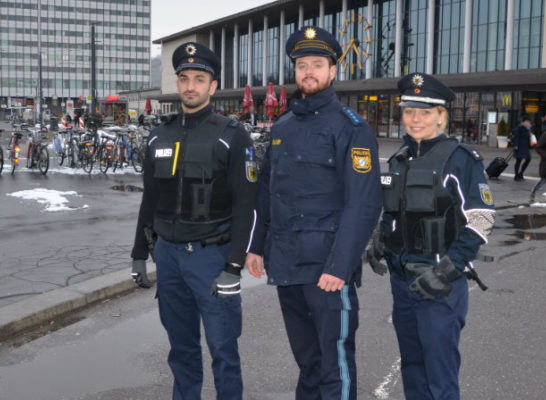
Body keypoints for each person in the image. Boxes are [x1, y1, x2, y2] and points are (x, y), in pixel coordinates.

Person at [245, 26, 381, 400]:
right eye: (302, 65)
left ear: (333, 71)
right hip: (287, 264)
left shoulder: (351, 128)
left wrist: (339, 266)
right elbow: (267, 191)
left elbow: (364, 203)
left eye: (317, 64)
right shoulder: (282, 126)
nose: (308, 71)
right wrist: (257, 246)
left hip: (326, 270)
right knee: (308, 363)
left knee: (334, 364)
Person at [130, 41, 257, 399]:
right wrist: (139, 253)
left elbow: (248, 205)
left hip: (212, 257)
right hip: (169, 258)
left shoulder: (233, 136)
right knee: (181, 351)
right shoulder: (158, 135)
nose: (190, 86)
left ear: (212, 86)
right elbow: (150, 199)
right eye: (184, 78)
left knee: (223, 352)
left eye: (199, 79)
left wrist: (234, 265)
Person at [367, 73, 496, 400]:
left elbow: (481, 219)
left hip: (440, 286)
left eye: (425, 112)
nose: (416, 119)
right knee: (413, 368)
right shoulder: (398, 160)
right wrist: (380, 240)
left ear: (442, 116)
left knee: (440, 374)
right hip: (403, 284)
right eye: (409, 111)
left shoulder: (460, 159)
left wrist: (447, 269)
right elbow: (395, 212)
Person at [512, 116, 532, 181]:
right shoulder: (520, 127)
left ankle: (521, 173)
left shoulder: (528, 128)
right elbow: (516, 136)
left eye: (529, 122)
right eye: (527, 122)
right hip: (520, 147)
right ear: (524, 122)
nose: (528, 123)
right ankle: (516, 175)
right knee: (518, 161)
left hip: (526, 147)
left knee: (528, 159)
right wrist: (516, 145)